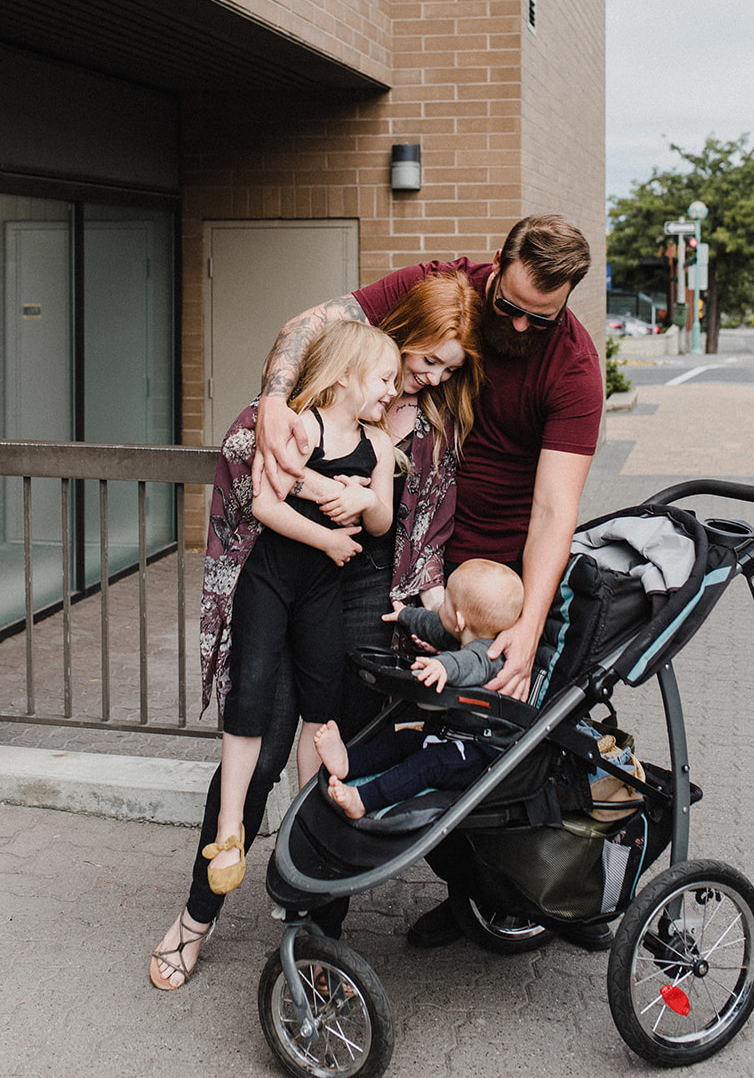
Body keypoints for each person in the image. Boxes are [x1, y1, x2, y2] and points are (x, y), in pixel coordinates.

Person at [253, 213, 608, 950]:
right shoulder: (443, 291)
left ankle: (501, 888)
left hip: (493, 582)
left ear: (567, 302)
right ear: (496, 265)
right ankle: (352, 886)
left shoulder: (572, 366)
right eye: (507, 305)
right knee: (392, 714)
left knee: (487, 734)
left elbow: (554, 511)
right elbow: (307, 325)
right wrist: (274, 404)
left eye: (539, 318)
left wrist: (529, 625)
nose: (516, 324)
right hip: (410, 555)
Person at [149, 271, 482, 989]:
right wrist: (318, 487)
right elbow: (246, 467)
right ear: (390, 343)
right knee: (262, 753)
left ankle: (319, 929)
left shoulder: (431, 432)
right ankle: (197, 914)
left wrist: (441, 617)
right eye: (424, 359)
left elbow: (423, 537)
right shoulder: (302, 404)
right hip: (288, 578)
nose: (428, 378)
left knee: (340, 759)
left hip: (368, 603)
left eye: (447, 369)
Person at [314, 558, 525, 821]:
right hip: (451, 738)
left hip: (481, 753)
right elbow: (434, 625)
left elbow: (470, 663)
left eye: (445, 602)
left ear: (460, 620)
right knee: (403, 740)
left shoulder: (492, 655)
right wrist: (405, 615)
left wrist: (443, 666)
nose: (440, 607)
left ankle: (364, 800)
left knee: (429, 764)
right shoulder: (461, 633)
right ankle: (348, 761)